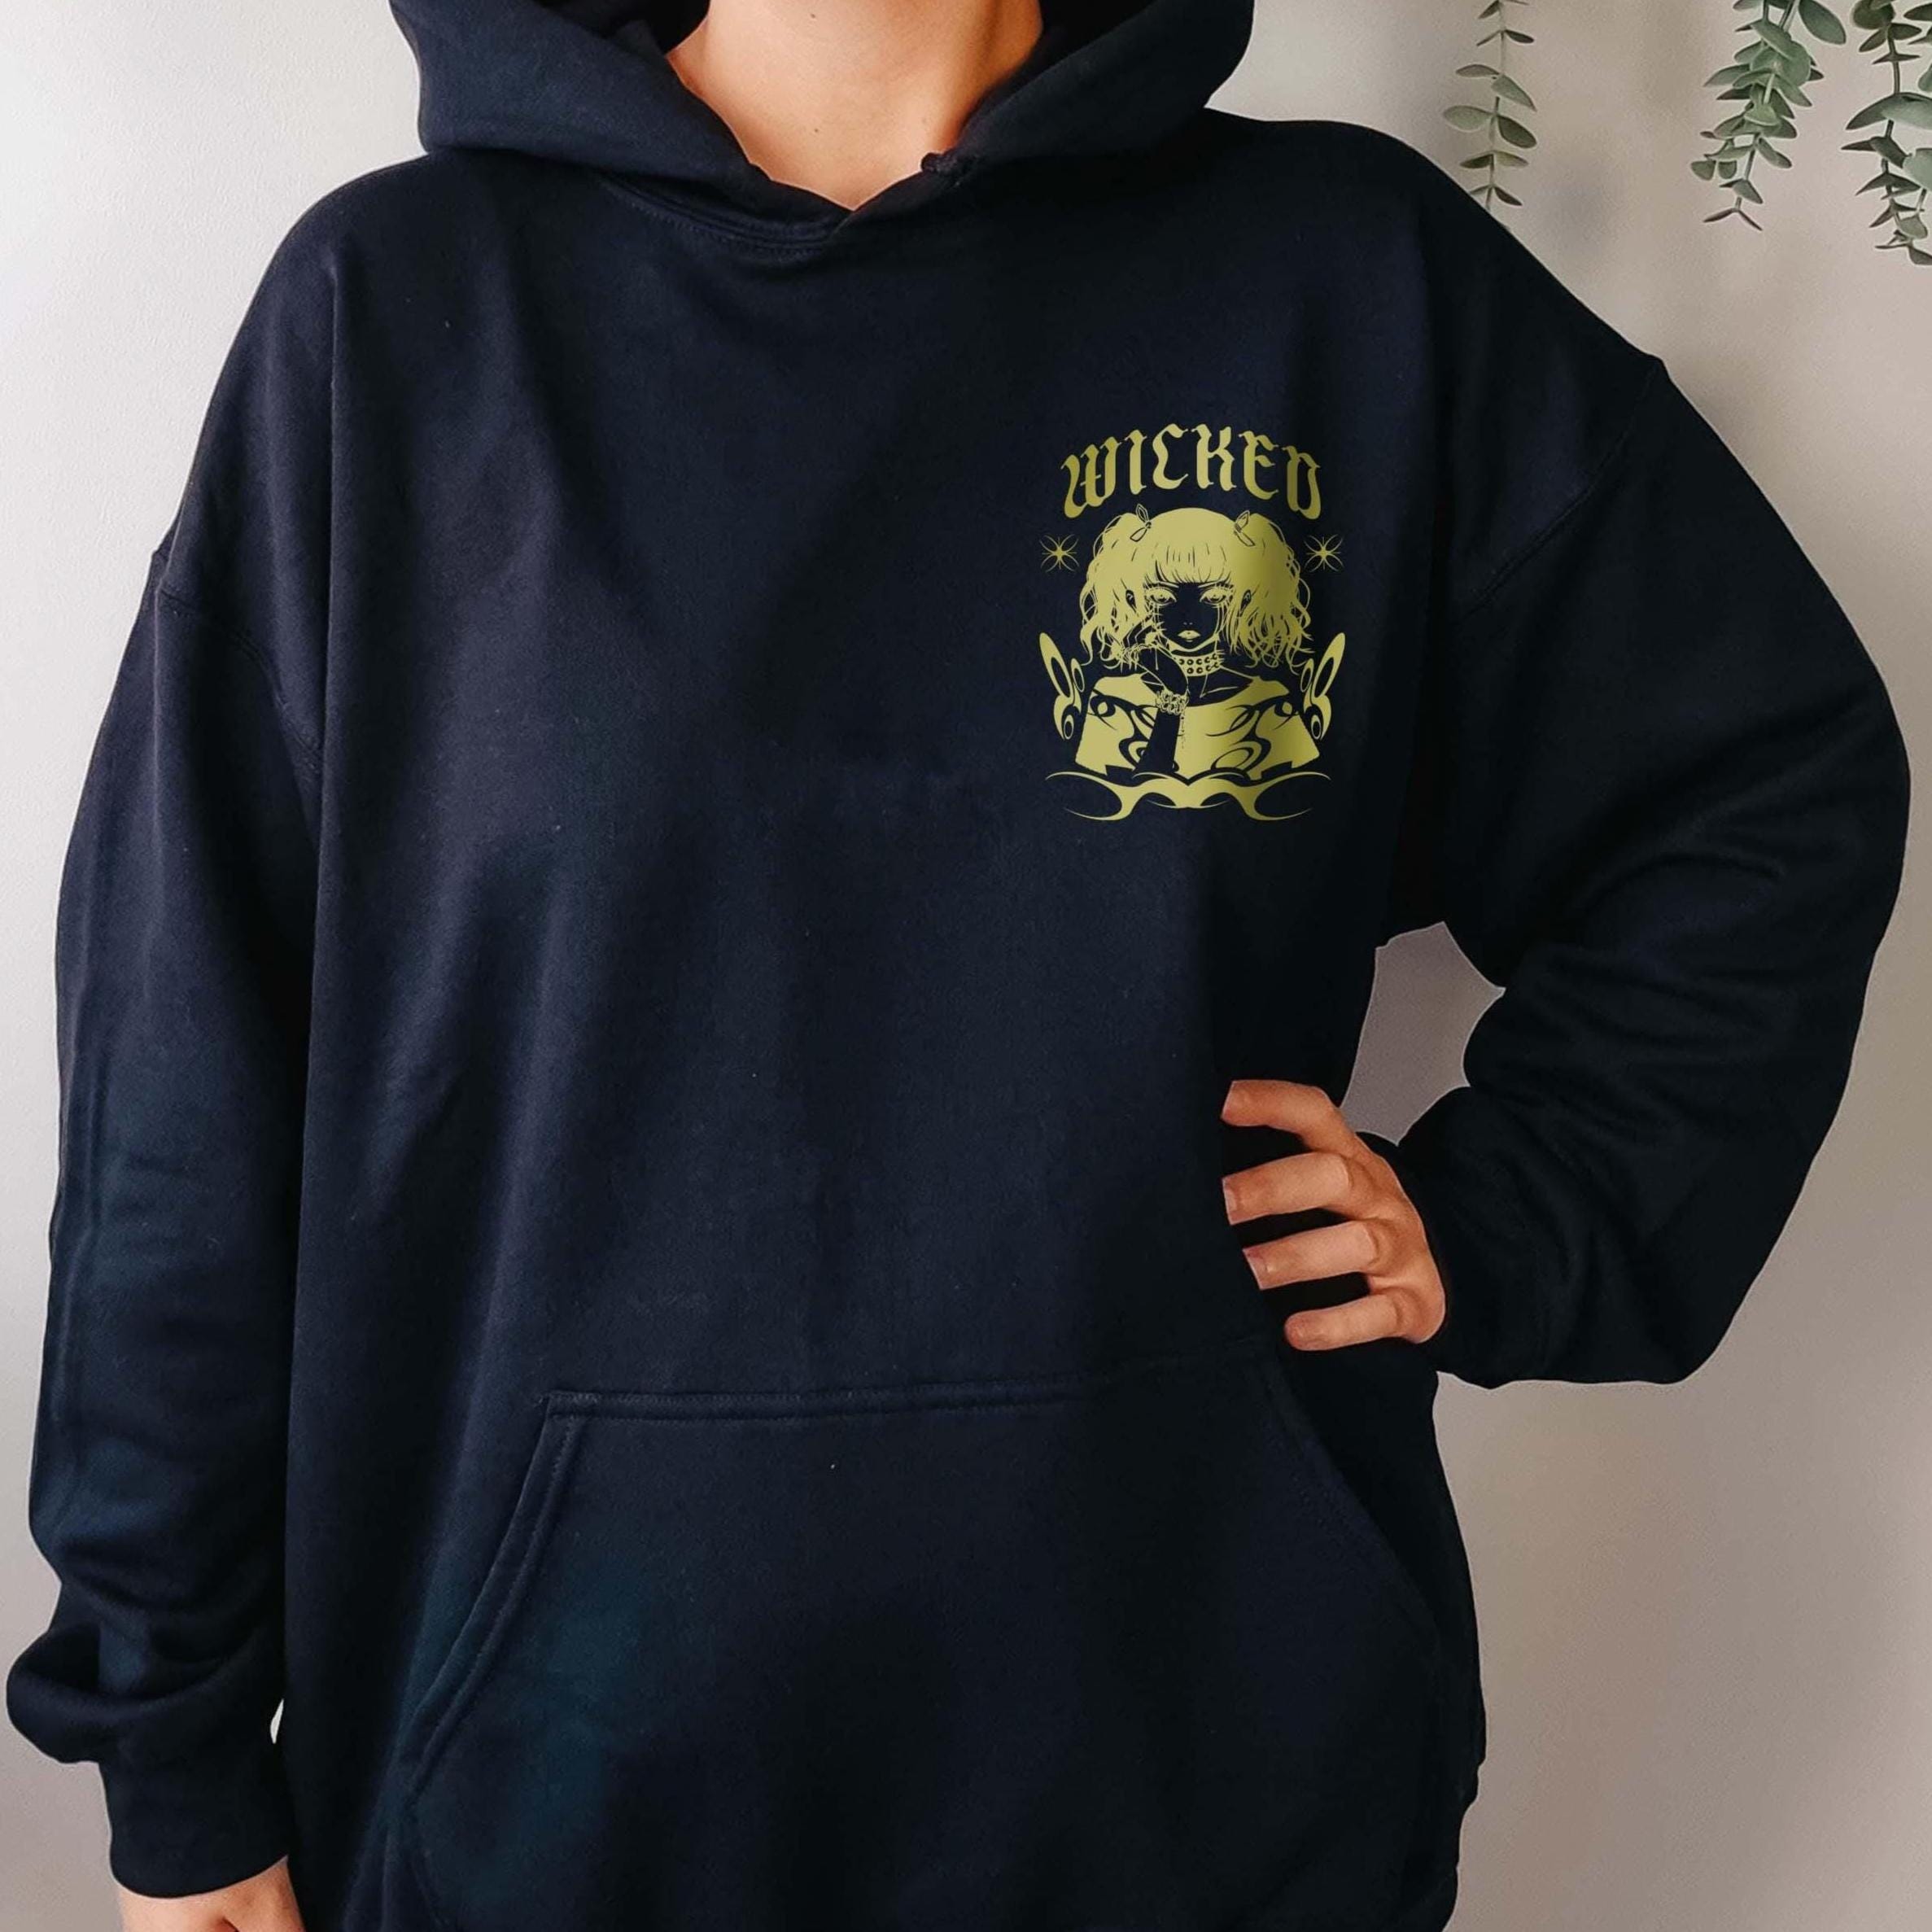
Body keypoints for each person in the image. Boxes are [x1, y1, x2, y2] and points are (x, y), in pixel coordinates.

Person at [6, 2, 1910, 1929]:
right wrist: (172, 1744)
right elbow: (185, 1059)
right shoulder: (402, 316)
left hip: (1209, 1758)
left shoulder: (1346, 280)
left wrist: (1521, 1210)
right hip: (547, 1794)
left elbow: (1753, 783)